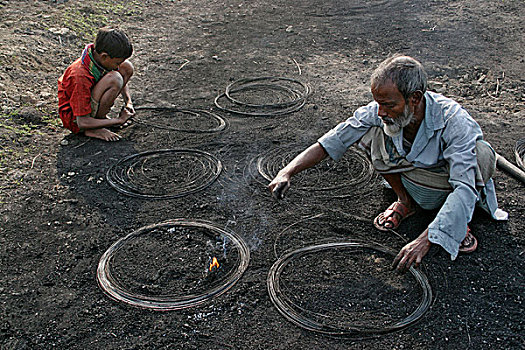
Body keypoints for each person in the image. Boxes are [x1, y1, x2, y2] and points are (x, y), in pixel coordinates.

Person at [268, 54, 508, 272]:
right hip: (415, 179)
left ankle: (457, 223)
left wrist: (424, 240)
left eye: (389, 105)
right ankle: (406, 201)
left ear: (415, 98)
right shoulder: (382, 110)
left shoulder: (454, 121)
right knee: (373, 133)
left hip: (447, 184)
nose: (381, 111)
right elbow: (335, 139)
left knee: (480, 154)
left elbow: (464, 187)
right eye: (378, 103)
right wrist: (287, 172)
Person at [58, 27, 135, 141]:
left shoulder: (97, 56)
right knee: (115, 78)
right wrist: (118, 120)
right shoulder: (80, 76)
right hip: (76, 120)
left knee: (126, 67)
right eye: (117, 62)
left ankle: (100, 120)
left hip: (88, 104)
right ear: (104, 56)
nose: (118, 67)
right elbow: (82, 122)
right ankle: (95, 127)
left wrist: (128, 102)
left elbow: (121, 71)